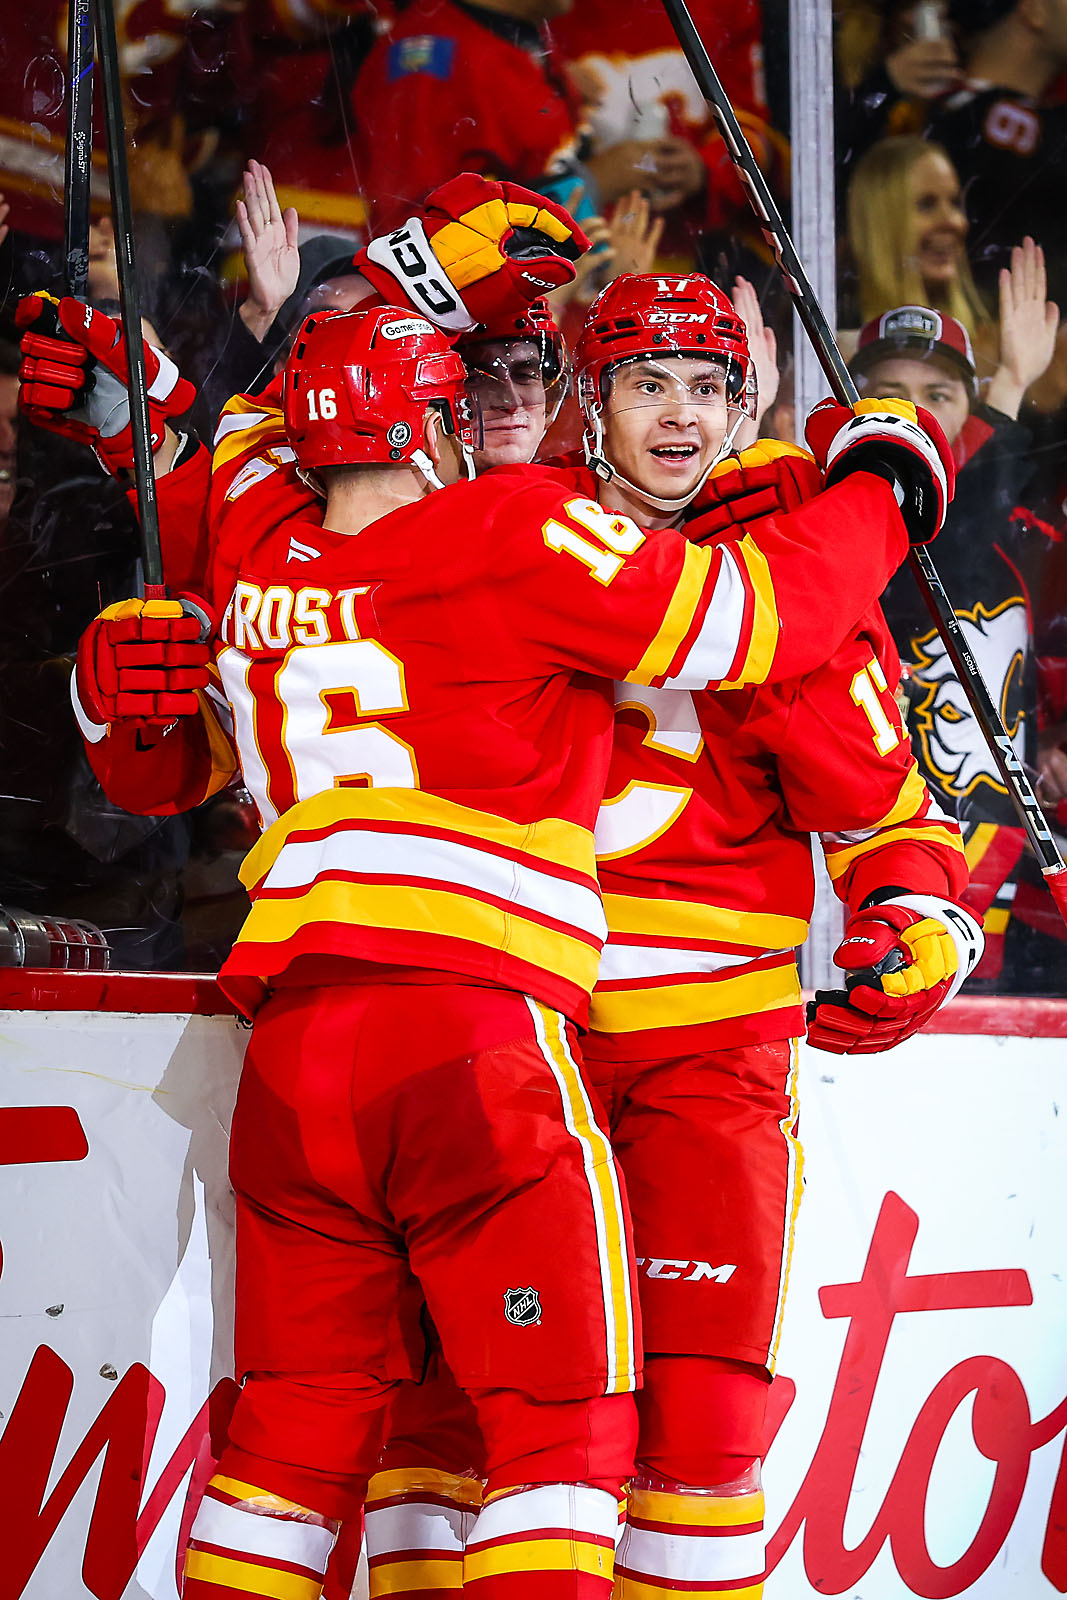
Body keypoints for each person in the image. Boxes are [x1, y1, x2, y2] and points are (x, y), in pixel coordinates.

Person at [29, 252, 949, 1597]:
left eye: (708, 384)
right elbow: (195, 740)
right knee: (442, 1427)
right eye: (647, 381)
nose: (678, 415)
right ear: (586, 394)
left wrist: (914, 908)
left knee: (689, 1433)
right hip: (509, 1039)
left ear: (747, 400)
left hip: (680, 1050)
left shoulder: (689, 530)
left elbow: (879, 801)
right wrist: (891, 476)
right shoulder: (526, 527)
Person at [853, 245, 1062, 990]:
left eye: (937, 396)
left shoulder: (1020, 533)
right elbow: (943, 537)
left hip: (1008, 845)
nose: (912, 414)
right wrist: (1008, 386)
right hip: (891, 849)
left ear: (967, 416)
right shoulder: (836, 526)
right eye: (887, 392)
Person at [845, 135, 992, 347]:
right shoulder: (836, 346)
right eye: (926, 205)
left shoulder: (992, 331)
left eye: (955, 203)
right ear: (881, 223)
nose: (955, 221)